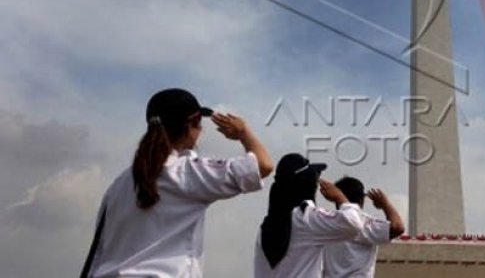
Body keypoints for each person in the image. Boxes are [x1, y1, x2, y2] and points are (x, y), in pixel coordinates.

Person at [81, 88, 273, 278]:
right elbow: (263, 165)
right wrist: (243, 132)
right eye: (199, 123)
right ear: (191, 125)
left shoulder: (117, 185)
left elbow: (100, 253)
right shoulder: (186, 172)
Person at [254, 154, 366, 277]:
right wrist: (339, 197)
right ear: (306, 184)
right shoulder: (307, 218)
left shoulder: (266, 226)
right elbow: (354, 224)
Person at [322, 177, 405, 278]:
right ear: (361, 200)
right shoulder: (363, 222)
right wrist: (385, 204)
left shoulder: (327, 222)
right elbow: (397, 227)